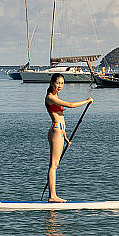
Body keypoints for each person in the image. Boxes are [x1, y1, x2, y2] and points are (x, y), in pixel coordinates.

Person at [45, 73, 92, 202]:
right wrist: (87, 101)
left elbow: (61, 117)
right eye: (58, 83)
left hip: (60, 131)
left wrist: (65, 137)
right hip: (55, 131)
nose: (60, 85)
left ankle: (52, 195)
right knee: (53, 165)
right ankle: (52, 196)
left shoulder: (56, 96)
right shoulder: (50, 97)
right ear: (52, 83)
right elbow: (70, 105)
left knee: (55, 164)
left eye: (62, 83)